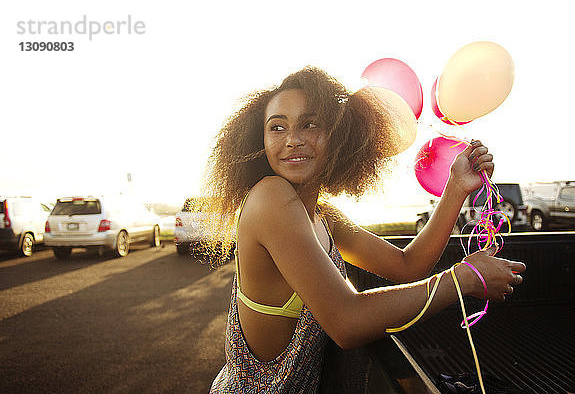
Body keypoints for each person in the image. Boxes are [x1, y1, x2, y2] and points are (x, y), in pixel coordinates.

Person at [205, 66, 525, 393]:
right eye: (277, 127)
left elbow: (406, 265)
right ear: (260, 139)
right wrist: (463, 279)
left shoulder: (324, 215)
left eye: (310, 124)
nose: (293, 139)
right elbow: (347, 322)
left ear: (338, 135)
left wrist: (456, 187)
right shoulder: (270, 197)